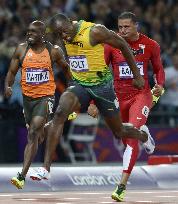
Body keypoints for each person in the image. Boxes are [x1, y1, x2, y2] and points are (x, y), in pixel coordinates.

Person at [29, 13, 155, 186]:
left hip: (102, 87)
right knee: (60, 113)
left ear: (70, 24)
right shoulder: (62, 33)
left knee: (119, 132)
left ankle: (143, 134)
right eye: (60, 34)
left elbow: (123, 45)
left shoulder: (95, 31)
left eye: (65, 32)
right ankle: (45, 169)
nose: (64, 37)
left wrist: (137, 75)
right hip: (80, 85)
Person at [88, 12, 165, 202]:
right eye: (120, 27)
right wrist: (93, 101)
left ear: (136, 26)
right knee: (124, 135)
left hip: (141, 95)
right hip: (118, 98)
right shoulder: (110, 45)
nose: (122, 30)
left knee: (130, 137)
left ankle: (121, 185)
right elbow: (100, 74)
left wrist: (160, 85)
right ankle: (145, 136)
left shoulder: (150, 45)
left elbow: (158, 69)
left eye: (126, 27)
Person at [4, 20, 70, 189]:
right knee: (37, 135)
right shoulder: (21, 49)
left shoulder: (53, 51)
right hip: (28, 100)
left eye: (33, 32)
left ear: (43, 34)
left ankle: (21, 175)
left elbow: (66, 69)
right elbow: (11, 71)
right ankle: (52, 124)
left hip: (45, 97)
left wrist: (73, 90)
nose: (29, 34)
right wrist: (8, 86)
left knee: (33, 133)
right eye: (28, 31)